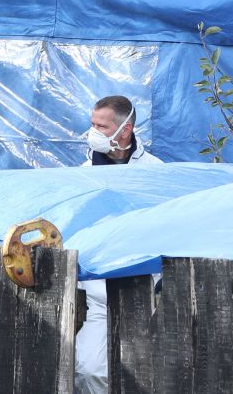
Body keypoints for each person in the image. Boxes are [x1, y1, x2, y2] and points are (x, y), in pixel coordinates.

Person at [76, 95, 162, 394]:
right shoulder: (82, 175)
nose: (94, 132)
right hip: (98, 295)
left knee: (145, 374)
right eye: (92, 124)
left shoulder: (155, 173)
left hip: (145, 292)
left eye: (101, 126)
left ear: (124, 130)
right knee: (88, 370)